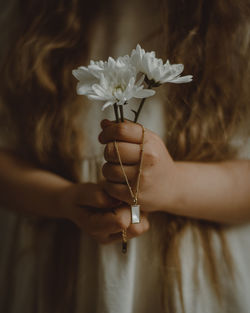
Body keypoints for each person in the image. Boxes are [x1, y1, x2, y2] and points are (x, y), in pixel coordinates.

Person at [0, 0, 250, 312]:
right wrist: (62, 199)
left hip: (194, 286)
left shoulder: (238, 30)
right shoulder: (23, 22)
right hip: (57, 280)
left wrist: (175, 185)